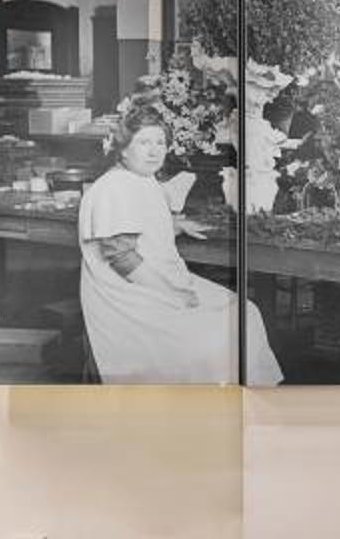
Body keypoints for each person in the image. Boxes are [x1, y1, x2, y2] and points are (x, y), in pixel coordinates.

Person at [76, 113, 282, 384]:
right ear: (123, 149)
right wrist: (172, 293)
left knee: (245, 312)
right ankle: (207, 401)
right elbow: (122, 257)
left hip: (155, 280)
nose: (154, 151)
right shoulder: (114, 187)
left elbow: (140, 224)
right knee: (216, 334)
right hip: (126, 295)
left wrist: (175, 225)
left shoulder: (140, 178)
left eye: (160, 142)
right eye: (144, 143)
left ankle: (238, 396)